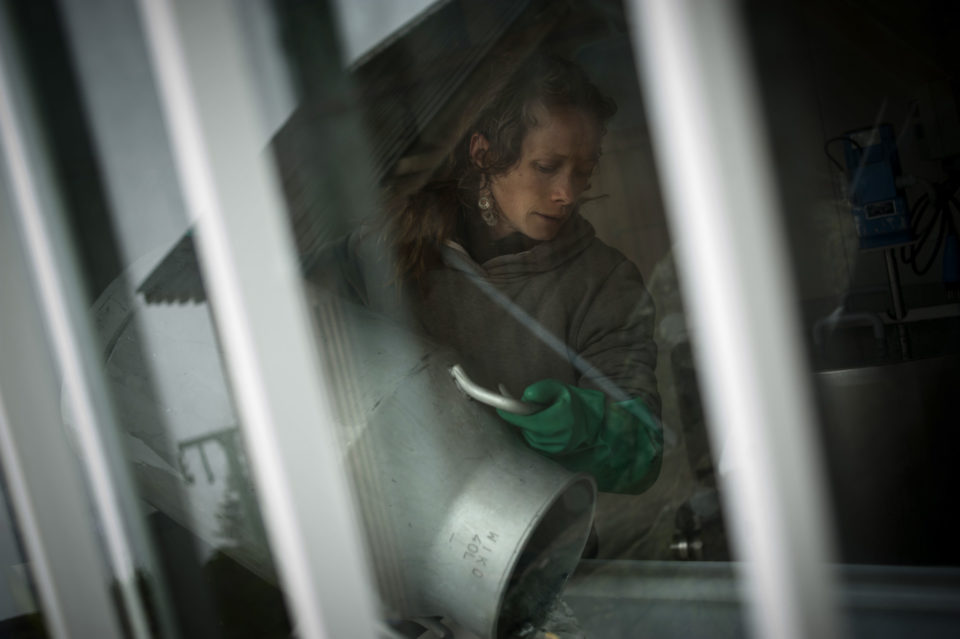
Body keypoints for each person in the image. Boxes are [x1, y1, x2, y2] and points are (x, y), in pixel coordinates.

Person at [310, 53, 662, 495]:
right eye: (547, 167)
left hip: (533, 525)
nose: (567, 193)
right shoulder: (390, 243)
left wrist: (589, 423)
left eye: (583, 172)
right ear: (484, 153)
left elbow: (643, 451)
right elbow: (297, 315)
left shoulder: (604, 281)